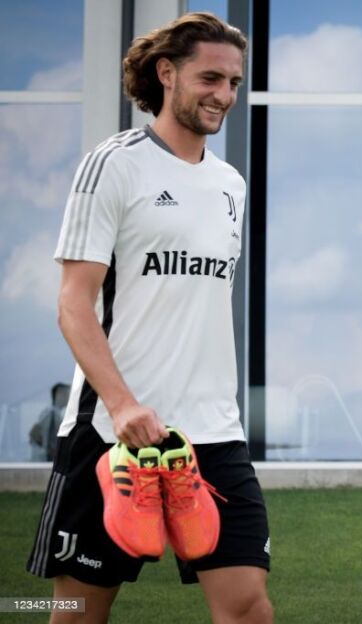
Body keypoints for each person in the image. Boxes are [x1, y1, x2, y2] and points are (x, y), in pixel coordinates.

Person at [26, 13, 273, 623]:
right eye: (210, 78)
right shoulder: (114, 164)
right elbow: (73, 303)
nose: (225, 95)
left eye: (234, 82)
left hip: (213, 430)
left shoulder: (230, 184)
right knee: (78, 612)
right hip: (113, 431)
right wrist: (123, 405)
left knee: (249, 608)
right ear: (167, 73)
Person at [30, 383, 70, 461]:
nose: (68, 397)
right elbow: (51, 443)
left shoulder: (53, 414)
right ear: (59, 395)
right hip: (49, 460)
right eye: (66, 394)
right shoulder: (51, 415)